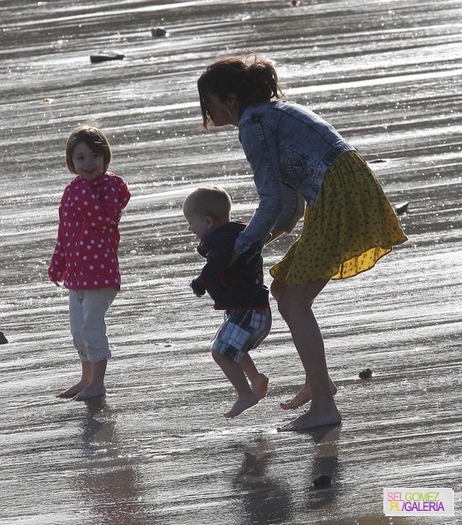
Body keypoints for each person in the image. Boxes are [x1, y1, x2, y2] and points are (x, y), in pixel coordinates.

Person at [197, 54, 407, 431]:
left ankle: (325, 406)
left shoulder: (253, 122)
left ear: (229, 99)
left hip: (337, 192)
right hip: (340, 186)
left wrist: (240, 247)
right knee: (282, 288)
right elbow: (289, 205)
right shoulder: (270, 112)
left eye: (208, 104)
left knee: (294, 300)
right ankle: (319, 383)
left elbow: (273, 201)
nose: (208, 115)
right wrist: (255, 244)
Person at [48, 124, 131, 401]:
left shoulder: (110, 186)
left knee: (91, 329)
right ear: (71, 162)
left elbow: (105, 221)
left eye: (95, 156)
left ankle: (98, 382)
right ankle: (85, 379)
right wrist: (58, 262)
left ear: (105, 158)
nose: (88, 163)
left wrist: (84, 191)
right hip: (77, 275)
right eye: (80, 158)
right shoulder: (72, 189)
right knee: (78, 332)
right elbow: (66, 231)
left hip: (101, 275)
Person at [183, 186, 272, 418]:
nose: (189, 228)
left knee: (220, 352)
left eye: (191, 222)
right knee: (234, 349)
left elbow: (217, 264)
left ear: (208, 221)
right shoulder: (236, 234)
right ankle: (255, 379)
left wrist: (199, 284)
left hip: (248, 313)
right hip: (253, 312)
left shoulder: (220, 243)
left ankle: (245, 394)